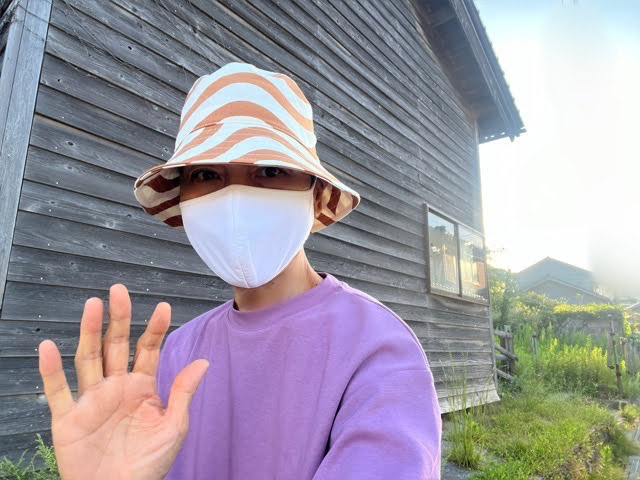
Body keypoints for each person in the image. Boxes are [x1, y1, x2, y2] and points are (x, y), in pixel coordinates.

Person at [37, 62, 442, 479]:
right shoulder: (177, 352)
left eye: (270, 170)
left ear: (315, 194)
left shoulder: (376, 348)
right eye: (206, 174)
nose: (234, 197)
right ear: (183, 201)